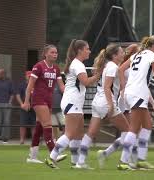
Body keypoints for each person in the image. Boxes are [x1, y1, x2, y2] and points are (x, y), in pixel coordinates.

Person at [117, 35, 154, 171]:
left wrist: (123, 87)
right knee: (134, 128)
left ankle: (141, 160)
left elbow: (120, 69)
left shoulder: (137, 54)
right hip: (138, 93)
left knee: (148, 125)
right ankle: (123, 161)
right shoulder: (153, 57)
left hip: (132, 92)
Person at [45, 39, 101, 168]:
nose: (89, 51)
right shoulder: (78, 64)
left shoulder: (76, 63)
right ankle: (51, 157)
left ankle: (76, 163)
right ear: (80, 50)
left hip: (74, 102)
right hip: (72, 101)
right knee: (70, 134)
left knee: (78, 134)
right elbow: (86, 82)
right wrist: (98, 74)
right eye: (87, 48)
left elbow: (83, 82)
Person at [73, 44, 130, 169]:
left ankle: (80, 162)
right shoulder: (112, 67)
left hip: (97, 102)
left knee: (91, 133)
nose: (123, 54)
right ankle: (119, 159)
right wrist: (110, 105)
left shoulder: (109, 66)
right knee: (128, 131)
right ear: (114, 56)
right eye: (121, 52)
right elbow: (107, 87)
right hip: (105, 102)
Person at [22, 44, 66, 164]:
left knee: (39, 127)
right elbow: (30, 85)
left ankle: (32, 157)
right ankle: (54, 153)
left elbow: (62, 86)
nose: (54, 54)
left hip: (48, 100)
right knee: (48, 125)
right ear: (45, 54)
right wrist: (26, 101)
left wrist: (71, 93)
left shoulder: (56, 68)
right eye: (52, 52)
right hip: (38, 99)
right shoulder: (39, 66)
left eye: (56, 52)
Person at [0, 69, 14, 143]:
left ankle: (4, 137)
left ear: (3, 74)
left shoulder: (9, 82)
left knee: (6, 121)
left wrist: (10, 102)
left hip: (7, 104)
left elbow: (12, 93)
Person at [16, 71, 36, 145]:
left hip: (34, 108)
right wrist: (22, 104)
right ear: (26, 76)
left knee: (34, 124)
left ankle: (34, 140)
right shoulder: (22, 85)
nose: (29, 77)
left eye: (31, 76)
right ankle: (22, 140)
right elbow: (17, 95)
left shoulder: (35, 85)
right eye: (28, 76)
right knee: (23, 124)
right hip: (24, 108)